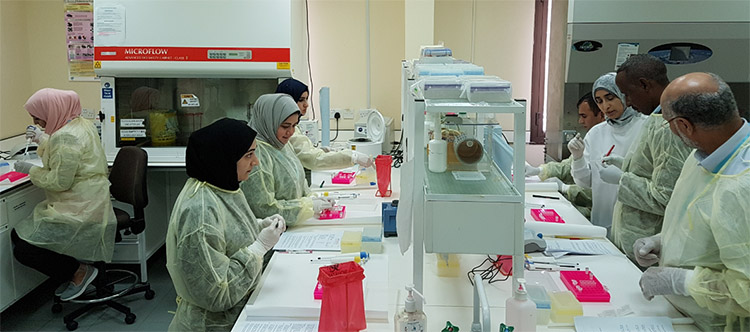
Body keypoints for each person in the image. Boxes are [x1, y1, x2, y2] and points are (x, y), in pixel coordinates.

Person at [635, 72, 750, 331]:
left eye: (668, 123)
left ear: (684, 126)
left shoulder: (741, 185)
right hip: (683, 313)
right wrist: (662, 242)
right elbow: (703, 222)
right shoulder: (703, 155)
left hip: (719, 324)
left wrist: (682, 281)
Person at [166, 118, 286, 331]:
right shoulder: (200, 211)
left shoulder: (221, 185)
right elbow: (217, 293)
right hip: (214, 324)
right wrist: (258, 248)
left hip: (240, 309)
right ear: (224, 158)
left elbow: (225, 234)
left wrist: (258, 226)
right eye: (249, 155)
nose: (256, 162)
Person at [11, 88, 116, 301]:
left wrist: (29, 169)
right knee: (20, 235)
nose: (37, 122)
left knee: (23, 249)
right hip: (91, 199)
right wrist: (43, 139)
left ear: (52, 110)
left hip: (80, 207)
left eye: (38, 117)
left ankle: (79, 272)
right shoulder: (80, 124)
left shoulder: (65, 136)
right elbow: (67, 153)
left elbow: (59, 181)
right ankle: (74, 270)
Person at [600, 54, 692, 262]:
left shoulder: (667, 126)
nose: (629, 103)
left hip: (648, 248)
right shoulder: (656, 119)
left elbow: (665, 197)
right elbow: (657, 172)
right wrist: (625, 165)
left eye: (628, 94)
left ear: (644, 85)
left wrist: (621, 179)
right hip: (637, 243)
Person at [568, 73, 648, 233]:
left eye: (610, 98)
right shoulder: (596, 133)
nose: (605, 106)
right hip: (601, 219)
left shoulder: (645, 127)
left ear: (624, 95)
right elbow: (585, 183)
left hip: (635, 225)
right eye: (599, 101)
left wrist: (622, 176)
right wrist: (578, 158)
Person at [242, 94, 336, 226]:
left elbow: (299, 183)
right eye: (285, 126)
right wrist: (308, 207)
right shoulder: (256, 155)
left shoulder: (281, 145)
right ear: (268, 121)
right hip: (274, 233)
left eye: (294, 125)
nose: (291, 132)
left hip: (294, 226)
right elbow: (264, 208)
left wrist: (313, 199)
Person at [525, 92, 604, 218]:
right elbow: (568, 166)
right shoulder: (591, 138)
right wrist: (540, 170)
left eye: (584, 116)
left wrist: (566, 189)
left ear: (601, 115)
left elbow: (602, 191)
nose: (580, 121)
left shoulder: (611, 141)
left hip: (595, 211)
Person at [276, 78, 374, 170]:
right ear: (288, 100)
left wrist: (322, 150)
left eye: (306, 99)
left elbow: (303, 153)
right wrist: (352, 157)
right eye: (301, 100)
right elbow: (313, 159)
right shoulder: (284, 128)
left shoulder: (293, 125)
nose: (306, 104)